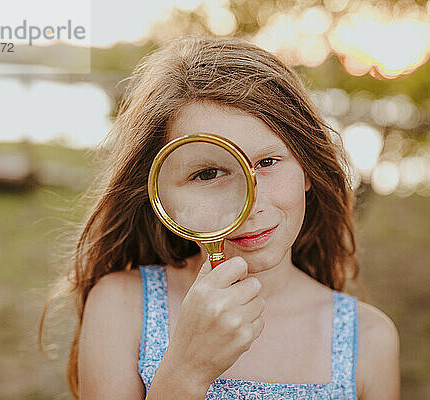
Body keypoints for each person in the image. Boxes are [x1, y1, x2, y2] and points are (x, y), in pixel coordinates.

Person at [39, 35, 400, 400]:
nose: (250, 203)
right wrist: (186, 370)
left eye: (267, 162)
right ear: (161, 194)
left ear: (307, 168)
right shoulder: (120, 306)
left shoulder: (370, 341)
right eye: (209, 173)